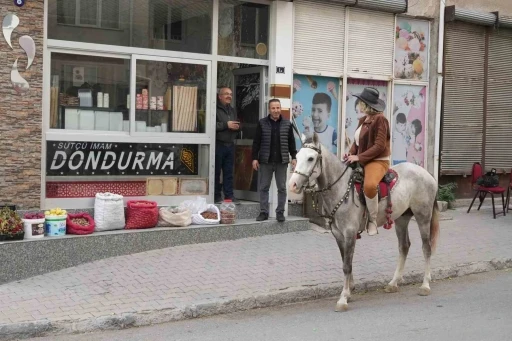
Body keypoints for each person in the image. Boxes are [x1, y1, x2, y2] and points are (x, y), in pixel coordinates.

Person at [344, 87, 391, 236]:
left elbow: (379, 146)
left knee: (370, 186)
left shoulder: (381, 120)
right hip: (363, 159)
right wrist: (350, 153)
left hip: (378, 161)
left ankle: (372, 220)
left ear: (366, 104)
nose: (359, 104)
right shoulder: (363, 120)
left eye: (360, 102)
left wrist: (359, 157)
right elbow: (356, 142)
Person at [252, 99, 297, 222]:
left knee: (282, 188)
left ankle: (280, 213)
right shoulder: (262, 123)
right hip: (265, 161)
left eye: (278, 108)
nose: (276, 110)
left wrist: (294, 157)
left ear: (280, 108)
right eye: (273, 108)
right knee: (264, 187)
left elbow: (291, 142)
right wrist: (254, 158)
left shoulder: (287, 124)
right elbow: (256, 142)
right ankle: (263, 212)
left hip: (281, 161)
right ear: (269, 109)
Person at [215, 86, 240, 204]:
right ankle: (216, 196)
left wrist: (237, 127)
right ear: (220, 96)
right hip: (218, 144)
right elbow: (210, 126)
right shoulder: (214, 109)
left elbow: (235, 123)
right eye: (226, 94)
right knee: (216, 172)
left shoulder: (232, 110)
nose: (229, 96)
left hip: (230, 145)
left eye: (230, 94)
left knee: (229, 172)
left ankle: (229, 196)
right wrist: (226, 125)